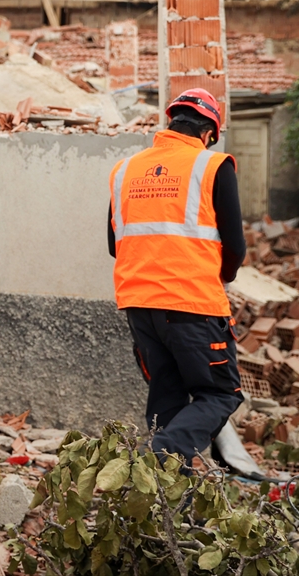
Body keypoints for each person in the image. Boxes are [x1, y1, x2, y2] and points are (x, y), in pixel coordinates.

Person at [108, 88, 246, 471]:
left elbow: (113, 244)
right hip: (193, 306)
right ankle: (158, 455)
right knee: (220, 395)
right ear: (208, 134)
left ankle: (167, 510)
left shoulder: (124, 170)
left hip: (138, 306)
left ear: (171, 124)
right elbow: (235, 247)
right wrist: (220, 278)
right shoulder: (213, 166)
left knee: (167, 397)